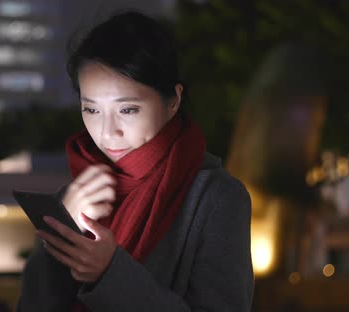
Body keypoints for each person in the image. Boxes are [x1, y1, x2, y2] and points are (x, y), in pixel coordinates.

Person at [17, 11, 253, 312]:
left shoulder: (215, 198)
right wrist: (58, 238)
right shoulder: (75, 197)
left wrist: (109, 273)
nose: (107, 132)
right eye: (91, 110)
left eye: (127, 110)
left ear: (173, 101)